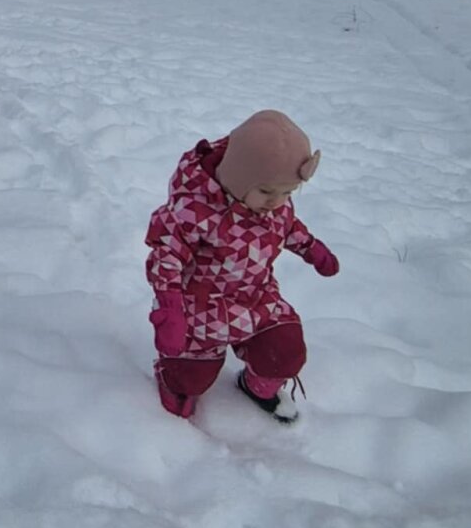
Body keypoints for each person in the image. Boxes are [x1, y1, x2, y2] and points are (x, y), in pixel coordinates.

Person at [144, 110, 340, 424]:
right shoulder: (194, 211)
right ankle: (175, 381)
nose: (277, 201)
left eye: (288, 192)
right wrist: (170, 307)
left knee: (285, 351)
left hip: (257, 298)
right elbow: (166, 256)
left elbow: (287, 224)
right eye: (267, 191)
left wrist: (312, 248)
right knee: (191, 376)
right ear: (238, 175)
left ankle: (256, 385)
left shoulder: (272, 203)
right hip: (201, 310)